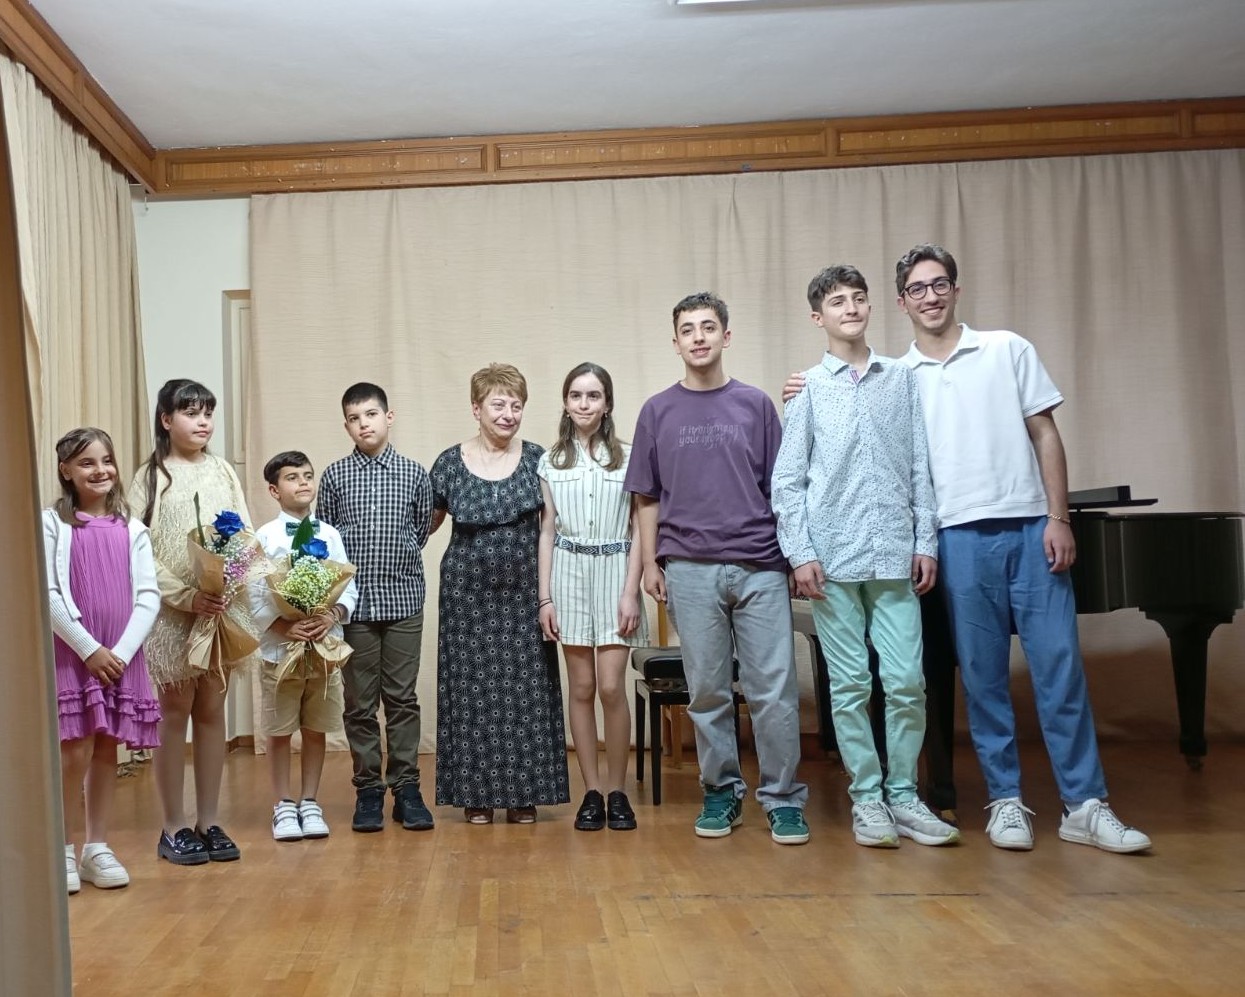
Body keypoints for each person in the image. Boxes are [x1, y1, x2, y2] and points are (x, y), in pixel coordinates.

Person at [786, 248, 1150, 853]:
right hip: (913, 546)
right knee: (971, 678)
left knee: (1038, 671)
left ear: (953, 290)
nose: (929, 296)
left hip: (990, 536)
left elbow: (1011, 443)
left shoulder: (976, 357)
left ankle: (1083, 805)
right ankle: (985, 800)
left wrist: (1056, 516)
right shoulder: (857, 382)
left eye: (939, 285)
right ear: (902, 302)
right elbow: (804, 472)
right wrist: (803, 392)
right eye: (917, 288)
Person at [771, 266, 957, 848]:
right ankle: (868, 798)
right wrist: (800, 554)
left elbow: (920, 465)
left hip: (895, 555)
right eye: (837, 301)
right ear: (818, 317)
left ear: (871, 307)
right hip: (831, 561)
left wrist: (924, 541)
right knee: (850, 684)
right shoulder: (807, 389)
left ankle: (904, 794)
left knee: (906, 682)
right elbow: (788, 481)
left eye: (858, 299)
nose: (850, 308)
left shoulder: (901, 380)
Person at [624, 292, 810, 845]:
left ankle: (783, 799)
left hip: (759, 565)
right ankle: (721, 792)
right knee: (707, 691)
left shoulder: (755, 405)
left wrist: (794, 557)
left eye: (708, 327)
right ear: (676, 342)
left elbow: (783, 488)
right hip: (688, 567)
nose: (698, 337)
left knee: (773, 690)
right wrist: (652, 563)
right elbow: (647, 498)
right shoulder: (657, 411)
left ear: (726, 336)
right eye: (688, 329)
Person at [430, 363, 570, 825]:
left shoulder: (538, 460)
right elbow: (424, 526)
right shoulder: (449, 463)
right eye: (498, 405)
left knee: (526, 690)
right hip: (465, 596)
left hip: (525, 592)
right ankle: (476, 794)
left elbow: (551, 528)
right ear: (476, 409)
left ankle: (525, 793)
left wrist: (548, 596)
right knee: (470, 692)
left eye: (516, 405)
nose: (509, 414)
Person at [131, 379, 255, 865]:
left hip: (219, 611)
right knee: (174, 712)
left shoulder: (223, 470)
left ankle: (208, 820)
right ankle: (172, 826)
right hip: (171, 616)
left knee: (211, 711)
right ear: (166, 420)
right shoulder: (150, 477)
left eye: (207, 413)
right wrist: (186, 596)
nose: (202, 421)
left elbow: (243, 535)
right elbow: (139, 549)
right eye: (190, 412)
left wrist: (227, 583)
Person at [44, 428, 161, 892]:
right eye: (86, 462)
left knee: (107, 748)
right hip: (75, 654)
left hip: (118, 656)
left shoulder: (133, 528)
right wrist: (87, 648)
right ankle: (62, 849)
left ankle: (96, 847)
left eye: (106, 460)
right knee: (74, 751)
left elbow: (148, 596)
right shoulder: (52, 525)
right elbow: (49, 593)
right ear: (66, 470)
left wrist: (120, 653)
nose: (100, 470)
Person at [317, 383, 435, 833]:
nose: (363, 424)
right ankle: (368, 790)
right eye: (354, 418)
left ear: (389, 417)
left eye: (370, 414)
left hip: (403, 599)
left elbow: (419, 531)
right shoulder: (335, 476)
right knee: (359, 702)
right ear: (346, 425)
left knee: (402, 699)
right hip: (354, 607)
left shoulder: (413, 473)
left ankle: (406, 789)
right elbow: (327, 539)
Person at [537, 362, 649, 832]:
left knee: (610, 687)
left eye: (594, 395)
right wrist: (545, 598)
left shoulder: (630, 457)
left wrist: (631, 592)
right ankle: (591, 792)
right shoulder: (549, 461)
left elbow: (640, 527)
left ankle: (617, 791)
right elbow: (546, 531)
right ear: (566, 403)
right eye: (576, 395)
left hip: (615, 571)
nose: (584, 404)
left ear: (607, 404)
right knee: (581, 688)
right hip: (568, 575)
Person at [251, 451, 358, 841]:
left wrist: (332, 615)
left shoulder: (330, 535)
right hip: (280, 650)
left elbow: (348, 585)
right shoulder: (264, 537)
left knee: (316, 727)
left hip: (322, 647)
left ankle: (310, 800)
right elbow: (254, 593)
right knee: (279, 729)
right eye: (292, 477)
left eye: (308, 476)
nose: (303, 483)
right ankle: (282, 803)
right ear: (274, 490)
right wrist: (283, 625)